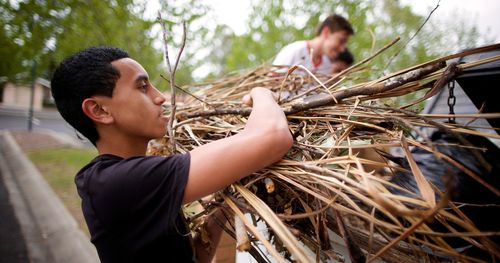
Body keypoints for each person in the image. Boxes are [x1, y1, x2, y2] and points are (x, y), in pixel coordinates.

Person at [50, 46, 293, 263]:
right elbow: (273, 137)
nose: (160, 97)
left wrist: (223, 209)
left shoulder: (131, 180)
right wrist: (262, 93)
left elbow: (193, 258)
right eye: (142, 87)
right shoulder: (118, 182)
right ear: (100, 110)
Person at [272, 14, 354, 75]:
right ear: (326, 32)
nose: (343, 49)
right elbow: (271, 83)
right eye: (341, 41)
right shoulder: (294, 51)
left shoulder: (327, 65)